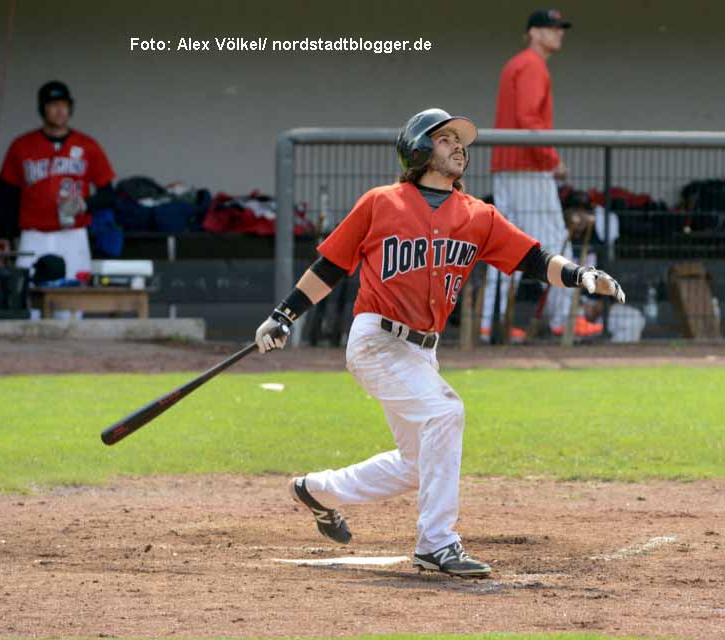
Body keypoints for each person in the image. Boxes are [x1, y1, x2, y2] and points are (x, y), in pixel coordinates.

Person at [254, 108, 625, 577]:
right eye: (446, 138)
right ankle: (437, 542)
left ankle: (316, 490)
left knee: (418, 464)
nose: (459, 146)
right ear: (419, 148)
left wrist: (580, 274)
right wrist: (283, 315)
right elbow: (331, 266)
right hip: (377, 340)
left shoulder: (477, 215)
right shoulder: (380, 203)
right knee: (446, 412)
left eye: (460, 140)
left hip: (421, 351)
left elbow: (533, 258)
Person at [481, 8, 573, 342]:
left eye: (560, 28)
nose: (558, 33)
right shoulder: (532, 64)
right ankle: (564, 320)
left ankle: (489, 322)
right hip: (528, 168)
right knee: (555, 240)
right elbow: (529, 120)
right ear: (534, 32)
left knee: (506, 245)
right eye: (552, 28)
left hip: (509, 167)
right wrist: (552, 159)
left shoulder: (516, 64)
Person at [0, 81, 116, 281]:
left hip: (73, 235)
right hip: (33, 235)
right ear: (42, 109)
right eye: (53, 105)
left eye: (64, 104)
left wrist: (84, 204)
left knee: (74, 295)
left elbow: (108, 194)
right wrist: (4, 235)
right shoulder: (21, 146)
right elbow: (7, 196)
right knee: (28, 293)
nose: (60, 110)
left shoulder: (88, 146)